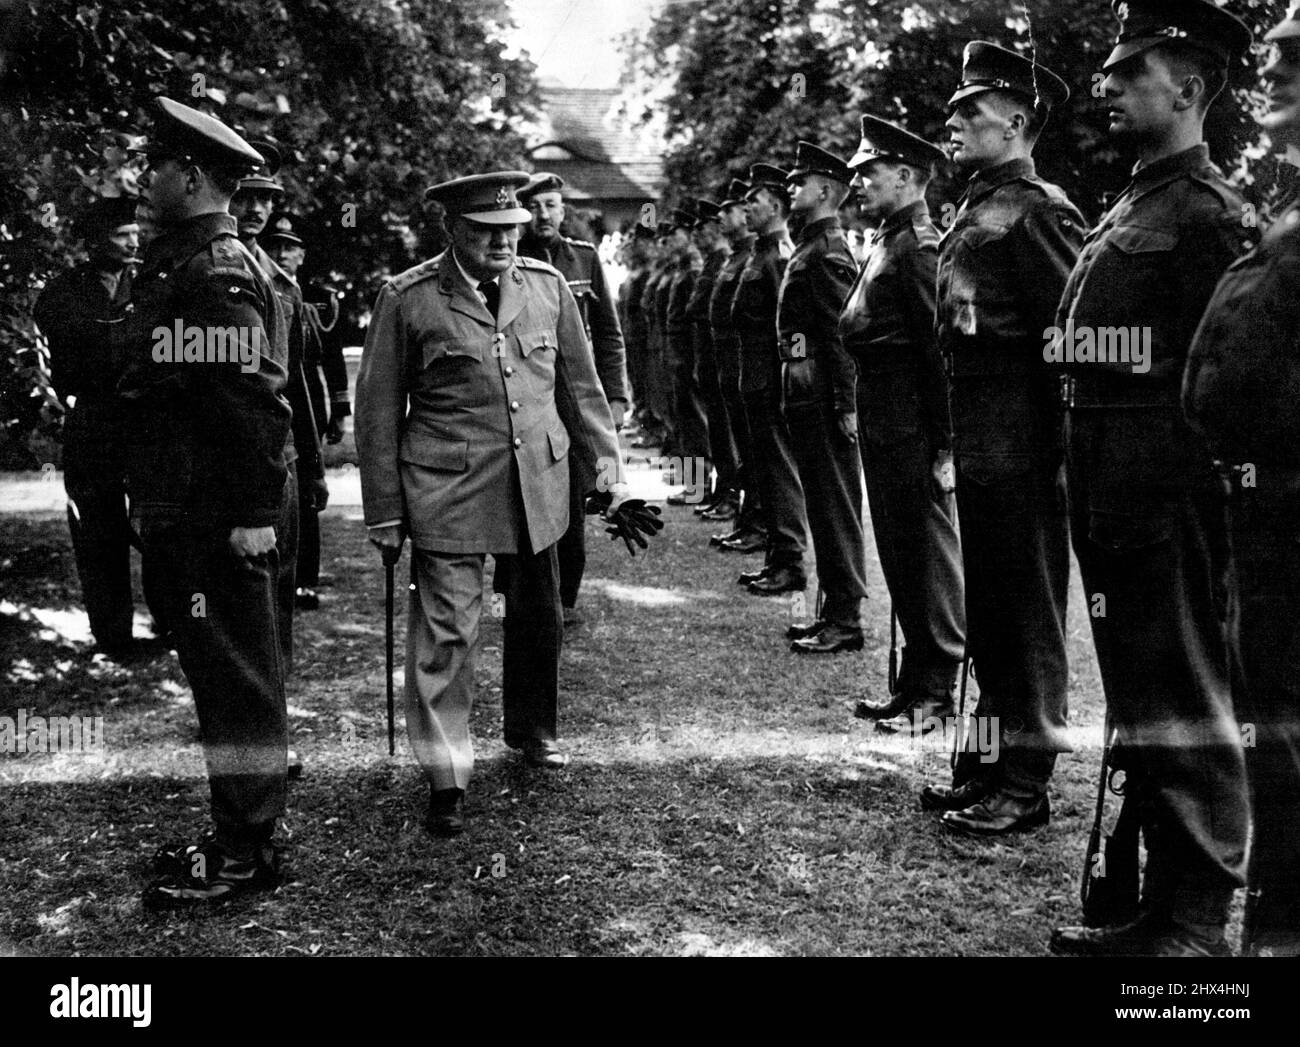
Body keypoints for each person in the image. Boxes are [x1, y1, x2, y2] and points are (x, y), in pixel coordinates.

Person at [354, 171, 661, 837]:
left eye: (511, 229)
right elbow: (377, 414)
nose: (502, 241)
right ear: (452, 230)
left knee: (538, 618)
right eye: (486, 231)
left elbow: (581, 393)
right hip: (449, 489)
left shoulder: (548, 287)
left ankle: (533, 732)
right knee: (447, 633)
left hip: (538, 484)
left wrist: (615, 478)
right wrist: (384, 511)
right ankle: (447, 776)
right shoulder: (407, 298)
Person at [1051, 0, 1256, 957]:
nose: (1108, 85)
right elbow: (1084, 343)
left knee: (1185, 691)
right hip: (1106, 482)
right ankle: (1160, 904)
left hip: (1164, 491)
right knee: (1140, 694)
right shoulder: (1133, 202)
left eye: (1132, 73)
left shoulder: (1210, 215)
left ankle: (1200, 917)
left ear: (1190, 89)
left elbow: (1219, 369)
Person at [116, 97, 292, 908]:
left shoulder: (213, 268)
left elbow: (250, 397)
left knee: (236, 678)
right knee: (218, 674)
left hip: (216, 511)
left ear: (189, 174)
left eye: (155, 165)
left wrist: (254, 512)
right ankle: (237, 833)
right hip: (185, 503)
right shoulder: (182, 258)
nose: (144, 178)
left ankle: (245, 850)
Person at [929, 42, 1085, 836]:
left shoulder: (1038, 209)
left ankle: (1025, 781)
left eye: (969, 112)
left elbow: (1071, 338)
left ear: (1016, 121)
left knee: (1024, 618)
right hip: (980, 444)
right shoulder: (975, 206)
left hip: (1023, 447)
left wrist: (1054, 447)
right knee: (990, 618)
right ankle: (983, 765)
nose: (952, 123)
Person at [1182, 4, 1300, 958]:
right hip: (1259, 506)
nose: (1280, 72)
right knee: (1269, 719)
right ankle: (1272, 916)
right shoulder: (1292, 208)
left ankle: (1281, 927)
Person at [840, 115, 965, 719]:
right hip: (885, 422)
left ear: (907, 177)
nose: (856, 181)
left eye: (869, 172)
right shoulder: (885, 240)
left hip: (913, 426)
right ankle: (913, 686)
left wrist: (945, 447)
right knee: (898, 554)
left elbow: (937, 355)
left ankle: (935, 690)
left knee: (927, 557)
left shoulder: (919, 247)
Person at [34, 196, 160, 658]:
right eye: (120, 234)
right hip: (92, 423)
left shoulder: (153, 284)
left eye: (134, 232)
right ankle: (115, 637)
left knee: (159, 527)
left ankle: (170, 623)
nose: (132, 242)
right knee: (98, 532)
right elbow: (61, 362)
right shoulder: (63, 292)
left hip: (146, 421)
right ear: (93, 242)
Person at [230, 144, 326, 679]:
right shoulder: (215, 267)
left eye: (265, 198)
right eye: (245, 196)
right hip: (233, 456)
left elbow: (296, 385)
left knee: (277, 599)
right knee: (234, 603)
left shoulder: (281, 281)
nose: (256, 209)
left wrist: (310, 464)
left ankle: (274, 718)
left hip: (281, 456)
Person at [517, 172, 629, 626]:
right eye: (536, 207)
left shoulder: (583, 260)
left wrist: (616, 397)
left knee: (575, 498)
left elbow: (608, 334)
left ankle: (565, 598)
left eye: (551, 205)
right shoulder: (512, 259)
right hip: (529, 395)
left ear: (563, 211)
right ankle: (523, 592)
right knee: (527, 494)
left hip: (576, 397)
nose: (543, 214)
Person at [778, 142, 866, 655]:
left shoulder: (828, 251)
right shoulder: (811, 246)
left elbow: (839, 336)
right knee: (822, 502)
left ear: (828, 191)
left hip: (823, 395)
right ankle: (831, 612)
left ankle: (846, 619)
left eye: (800, 182)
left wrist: (846, 404)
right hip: (805, 390)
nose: (792, 188)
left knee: (836, 507)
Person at [262, 211, 351, 610]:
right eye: (276, 246)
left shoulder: (319, 298)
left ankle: (305, 579)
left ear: (302, 254)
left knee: (308, 484)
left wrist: (339, 410)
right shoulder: (260, 287)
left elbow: (331, 358)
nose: (282, 254)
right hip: (273, 389)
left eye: (290, 248)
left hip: (307, 394)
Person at [732, 164, 808, 592]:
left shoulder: (780, 255)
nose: (746, 208)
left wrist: (785, 379)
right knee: (765, 472)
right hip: (754, 381)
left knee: (780, 474)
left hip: (770, 383)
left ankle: (791, 562)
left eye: (753, 201)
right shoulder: (761, 252)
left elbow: (790, 324)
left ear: (776, 207)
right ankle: (775, 556)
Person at [708, 180, 765, 551]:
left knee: (753, 450)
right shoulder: (736, 257)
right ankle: (745, 517)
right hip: (726, 364)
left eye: (730, 210)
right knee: (738, 444)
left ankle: (755, 521)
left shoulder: (753, 256)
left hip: (746, 365)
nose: (725, 216)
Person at [686, 199, 738, 519]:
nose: (697, 235)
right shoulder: (713, 261)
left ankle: (731, 494)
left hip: (720, 357)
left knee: (724, 431)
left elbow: (704, 309)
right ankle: (723, 491)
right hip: (708, 355)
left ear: (716, 228)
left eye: (702, 228)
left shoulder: (722, 261)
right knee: (717, 431)